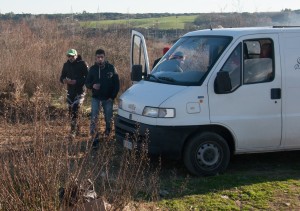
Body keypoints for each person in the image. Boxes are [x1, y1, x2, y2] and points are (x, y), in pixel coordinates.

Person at [85, 49, 120, 145]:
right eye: (98, 57)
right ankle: (94, 138)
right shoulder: (92, 69)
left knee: (108, 117)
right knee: (94, 117)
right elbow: (87, 83)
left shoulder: (111, 68)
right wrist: (92, 86)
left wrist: (112, 97)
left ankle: (108, 132)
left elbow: (117, 85)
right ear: (95, 58)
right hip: (96, 98)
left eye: (101, 57)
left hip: (108, 98)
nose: (100, 59)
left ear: (104, 57)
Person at [60, 49, 89, 137]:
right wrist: (64, 80)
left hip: (80, 91)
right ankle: (76, 130)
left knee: (76, 109)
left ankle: (73, 132)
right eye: (69, 56)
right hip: (70, 91)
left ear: (76, 56)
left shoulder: (83, 64)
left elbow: (88, 77)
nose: (71, 58)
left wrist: (76, 81)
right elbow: (61, 77)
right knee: (71, 111)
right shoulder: (66, 65)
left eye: (72, 56)